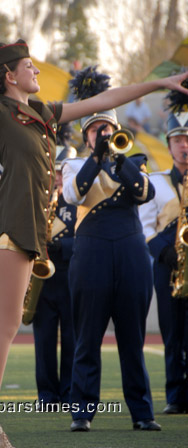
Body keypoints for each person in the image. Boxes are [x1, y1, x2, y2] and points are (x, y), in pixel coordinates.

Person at [0, 2, 188, 446]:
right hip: (10, 223)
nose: (37, 71)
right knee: (4, 327)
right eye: (29, 66)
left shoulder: (43, 113)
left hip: (25, 227)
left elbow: (104, 100)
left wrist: (158, 83)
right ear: (10, 75)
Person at [62, 66, 161, 432]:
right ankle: (82, 413)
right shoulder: (73, 165)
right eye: (94, 130)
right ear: (86, 136)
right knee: (87, 337)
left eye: (107, 129)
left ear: (117, 132)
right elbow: (74, 195)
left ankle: (142, 413)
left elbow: (146, 193)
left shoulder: (134, 163)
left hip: (131, 254)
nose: (102, 134)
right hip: (91, 255)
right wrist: (96, 159)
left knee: (132, 340)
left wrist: (118, 161)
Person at [139, 86, 188, 414]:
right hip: (167, 265)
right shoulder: (155, 182)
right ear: (168, 145)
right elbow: (143, 227)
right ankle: (175, 396)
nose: (184, 146)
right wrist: (162, 251)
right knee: (171, 333)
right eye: (178, 140)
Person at [32, 123, 77, 408]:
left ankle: (71, 392)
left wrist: (65, 246)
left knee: (74, 341)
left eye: (63, 172)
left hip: (72, 276)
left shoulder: (80, 201)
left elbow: (88, 236)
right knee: (44, 342)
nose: (58, 178)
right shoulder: (37, 200)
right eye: (55, 172)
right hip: (43, 281)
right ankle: (47, 395)